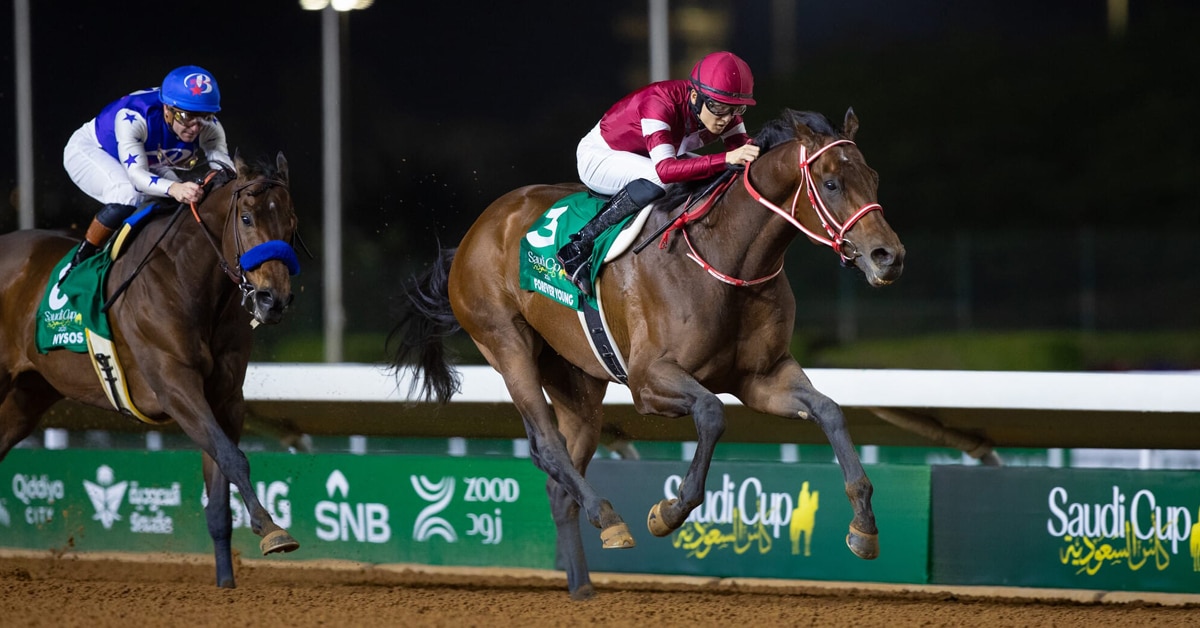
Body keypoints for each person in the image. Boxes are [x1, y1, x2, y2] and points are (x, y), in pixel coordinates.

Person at [558, 50, 761, 297]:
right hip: (600, 157)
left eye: (736, 109)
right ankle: (578, 246)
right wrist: (728, 158)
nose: (726, 119)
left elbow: (744, 153)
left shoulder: (723, 112)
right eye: (718, 107)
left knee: (716, 174)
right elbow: (665, 171)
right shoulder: (659, 102)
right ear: (695, 96)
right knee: (662, 179)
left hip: (648, 158)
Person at [62, 65, 233, 267]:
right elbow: (137, 177)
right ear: (167, 109)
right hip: (92, 150)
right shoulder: (134, 116)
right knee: (128, 194)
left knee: (179, 202)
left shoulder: (209, 126)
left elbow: (225, 169)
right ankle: (80, 260)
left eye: (204, 116)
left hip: (147, 157)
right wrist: (174, 188)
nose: (196, 128)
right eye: (187, 117)